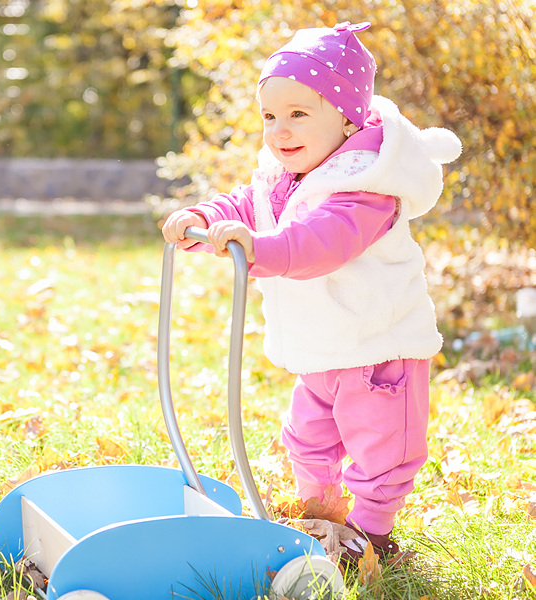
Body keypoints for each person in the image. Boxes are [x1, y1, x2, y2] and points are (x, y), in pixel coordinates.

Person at [161, 22, 462, 563]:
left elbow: (323, 242)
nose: (280, 130)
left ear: (347, 118)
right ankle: (320, 516)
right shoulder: (283, 175)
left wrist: (261, 250)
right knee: (308, 438)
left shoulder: (366, 186)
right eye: (270, 116)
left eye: (299, 114)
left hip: (378, 349)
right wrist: (207, 217)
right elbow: (247, 206)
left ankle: (370, 534)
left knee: (381, 449)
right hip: (321, 347)